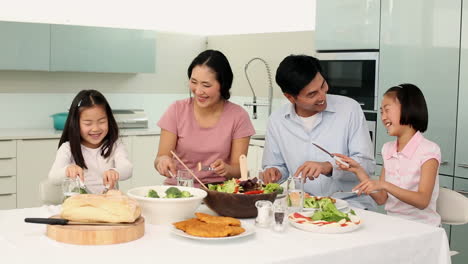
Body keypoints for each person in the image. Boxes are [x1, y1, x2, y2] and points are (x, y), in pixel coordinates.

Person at [261, 54, 375, 209]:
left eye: (323, 86)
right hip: (306, 206)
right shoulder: (277, 121)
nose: (322, 96)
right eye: (312, 94)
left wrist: (328, 166)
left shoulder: (350, 109)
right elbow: (276, 166)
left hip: (352, 204)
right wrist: (274, 172)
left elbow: (367, 165)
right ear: (290, 97)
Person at [335, 84, 441, 226]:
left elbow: (422, 201)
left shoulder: (429, 150)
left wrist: (385, 185)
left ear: (408, 109)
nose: (383, 117)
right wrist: (358, 171)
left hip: (422, 227)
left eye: (387, 110)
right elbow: (381, 199)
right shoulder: (388, 149)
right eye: (381, 112)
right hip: (394, 224)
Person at [155, 50, 255, 186]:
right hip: (180, 190)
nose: (198, 90)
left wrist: (227, 170)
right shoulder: (177, 110)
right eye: (193, 82)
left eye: (206, 85)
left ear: (223, 85)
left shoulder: (238, 116)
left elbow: (239, 170)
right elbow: (161, 156)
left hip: (218, 194)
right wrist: (162, 161)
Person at [48, 90, 133, 194]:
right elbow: (53, 177)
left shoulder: (115, 145)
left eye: (102, 122)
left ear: (109, 120)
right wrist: (68, 170)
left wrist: (115, 171)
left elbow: (127, 169)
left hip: (108, 203)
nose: (96, 128)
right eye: (88, 124)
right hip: (80, 205)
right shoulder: (68, 148)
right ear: (75, 123)